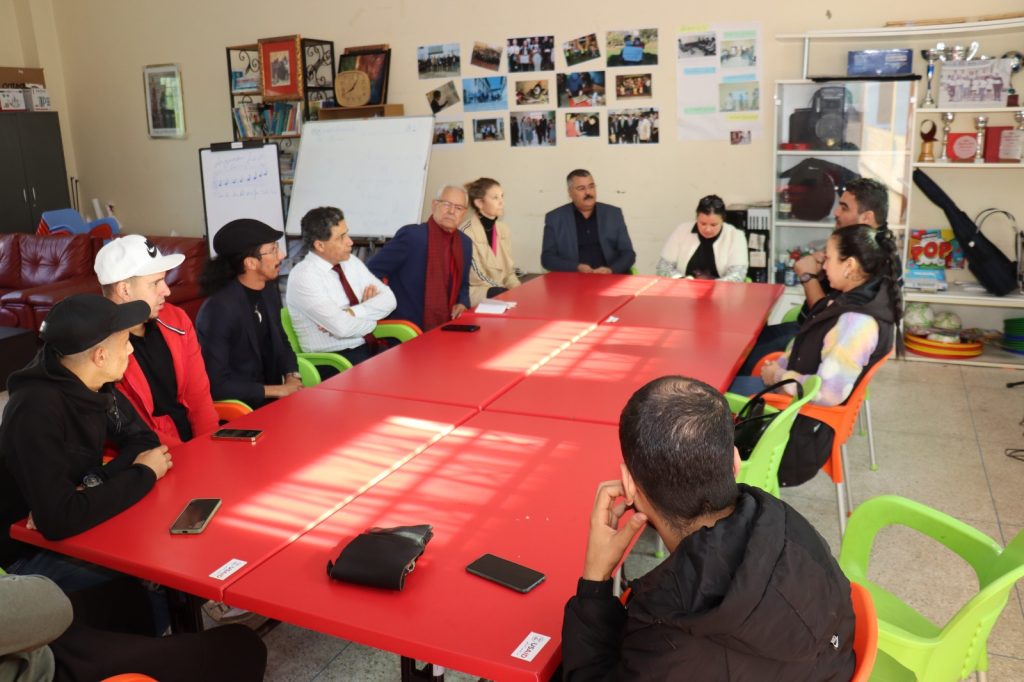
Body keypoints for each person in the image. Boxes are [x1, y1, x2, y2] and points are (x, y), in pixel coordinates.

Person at [561, 376, 856, 680]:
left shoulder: (665, 633)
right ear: (735, 462)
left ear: (629, 486)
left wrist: (595, 583)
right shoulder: (784, 520)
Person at [0, 295, 171, 587]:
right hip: (25, 557)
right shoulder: (35, 411)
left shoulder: (94, 383)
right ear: (100, 355)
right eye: (124, 342)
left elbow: (144, 441)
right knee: (148, 563)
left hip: (75, 526)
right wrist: (143, 474)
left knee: (156, 534)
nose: (131, 349)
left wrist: (96, 481)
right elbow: (58, 520)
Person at [730, 224, 902, 407]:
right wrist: (778, 368)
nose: (824, 267)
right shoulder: (851, 302)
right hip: (789, 393)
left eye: (828, 259)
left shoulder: (856, 323)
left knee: (708, 396)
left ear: (849, 265)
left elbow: (828, 393)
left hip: (795, 412)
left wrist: (778, 376)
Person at [737, 177, 889, 375]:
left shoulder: (870, 260)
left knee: (739, 359)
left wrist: (808, 277)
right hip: (807, 327)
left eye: (844, 207)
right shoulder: (863, 245)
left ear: (867, 217)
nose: (836, 212)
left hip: (815, 341)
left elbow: (828, 319)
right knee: (746, 339)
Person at [0, 572, 266, 681]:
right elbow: (51, 606)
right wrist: (144, 471)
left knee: (132, 594)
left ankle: (148, 652)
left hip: (24, 638)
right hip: (40, 665)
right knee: (241, 646)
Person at [94, 235, 219, 447]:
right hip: (149, 457)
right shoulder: (101, 346)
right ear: (125, 290)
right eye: (155, 283)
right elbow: (134, 429)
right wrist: (190, 456)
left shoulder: (176, 319)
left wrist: (210, 446)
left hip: (196, 446)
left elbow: (199, 397)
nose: (167, 290)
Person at [196, 218, 301, 408]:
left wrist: (292, 376)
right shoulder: (218, 311)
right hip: (241, 408)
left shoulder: (268, 289)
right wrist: (277, 390)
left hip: (275, 400)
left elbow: (282, 340)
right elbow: (216, 385)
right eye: (273, 250)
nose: (282, 255)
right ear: (251, 263)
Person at [286, 206, 396, 367]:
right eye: (341, 237)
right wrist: (372, 317)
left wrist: (353, 312)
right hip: (333, 361)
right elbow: (342, 329)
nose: (350, 242)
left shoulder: (350, 261)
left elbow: (390, 300)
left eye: (347, 233)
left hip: (366, 348)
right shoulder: (304, 277)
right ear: (320, 245)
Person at [367, 185, 473, 331]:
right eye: (446, 204)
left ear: (464, 213)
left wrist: (462, 302)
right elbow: (371, 270)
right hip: (405, 326)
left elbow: (464, 285)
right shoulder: (412, 236)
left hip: (448, 324)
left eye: (458, 208)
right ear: (434, 204)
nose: (451, 211)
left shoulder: (465, 243)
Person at [541, 169, 636, 274]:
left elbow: (628, 254)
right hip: (574, 280)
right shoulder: (555, 218)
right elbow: (547, 259)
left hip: (610, 278)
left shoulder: (613, 214)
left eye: (591, 186)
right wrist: (576, 267)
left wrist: (611, 270)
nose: (588, 192)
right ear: (570, 192)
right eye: (581, 188)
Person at [656, 194, 748, 282]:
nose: (707, 229)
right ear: (696, 218)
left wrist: (711, 285)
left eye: (713, 225)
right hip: (684, 289)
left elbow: (737, 274)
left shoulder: (735, 236)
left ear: (723, 220)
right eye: (703, 223)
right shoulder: (682, 230)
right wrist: (681, 279)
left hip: (721, 292)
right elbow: (663, 267)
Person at [460, 178, 521, 306]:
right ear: (479, 203)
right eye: (495, 198)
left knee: (522, 295)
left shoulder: (503, 229)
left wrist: (519, 290)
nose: (501, 202)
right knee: (499, 293)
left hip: (501, 288)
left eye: (502, 196)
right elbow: (477, 276)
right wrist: (506, 292)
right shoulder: (466, 232)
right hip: (477, 290)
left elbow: (509, 272)